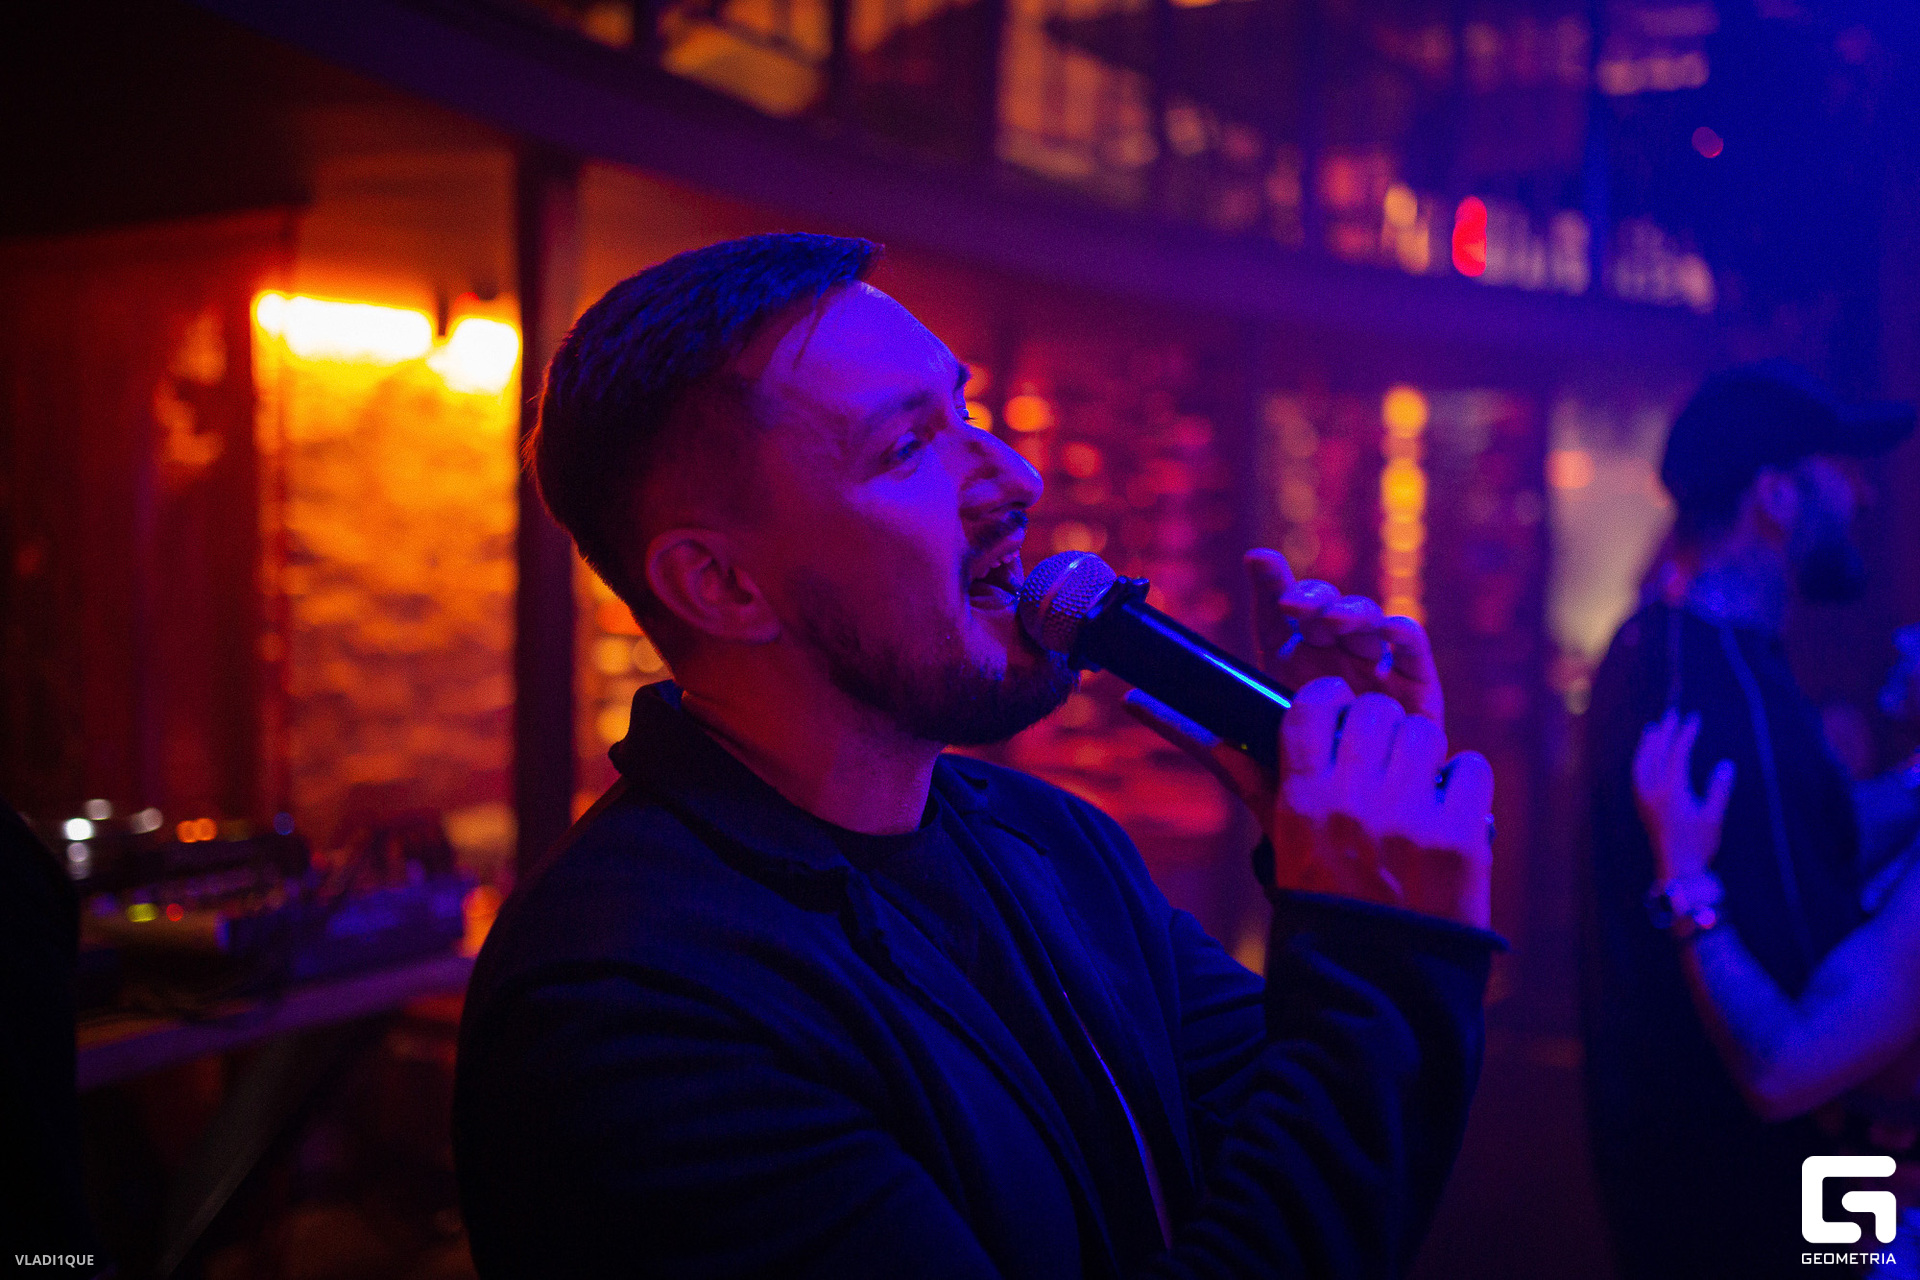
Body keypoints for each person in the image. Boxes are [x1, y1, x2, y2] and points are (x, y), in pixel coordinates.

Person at [453, 233, 1502, 1278]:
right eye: (908, 447)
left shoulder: (1053, 842)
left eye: (966, 411)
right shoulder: (632, 1005)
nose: (1016, 475)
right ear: (722, 585)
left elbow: (1299, 1154)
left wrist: (1365, 845)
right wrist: (1374, 946)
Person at [1580, 360, 1916, 1277]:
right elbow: (1799, 1049)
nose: (1863, 497)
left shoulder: (1681, 654)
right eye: (1842, 472)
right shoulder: (1715, 696)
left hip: (1721, 1197)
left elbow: (1813, 846)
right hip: (1750, 1208)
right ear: (1775, 495)